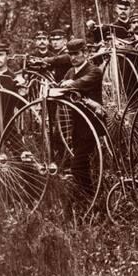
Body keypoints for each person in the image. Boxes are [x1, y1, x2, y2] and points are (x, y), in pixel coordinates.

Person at [59, 38, 103, 200]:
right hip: (76, 125)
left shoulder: (94, 71)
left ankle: (88, 197)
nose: (73, 58)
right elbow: (62, 85)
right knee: (81, 164)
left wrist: (70, 84)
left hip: (92, 124)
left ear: (85, 53)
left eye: (76, 54)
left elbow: (81, 83)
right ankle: (87, 198)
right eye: (70, 54)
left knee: (78, 163)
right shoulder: (71, 71)